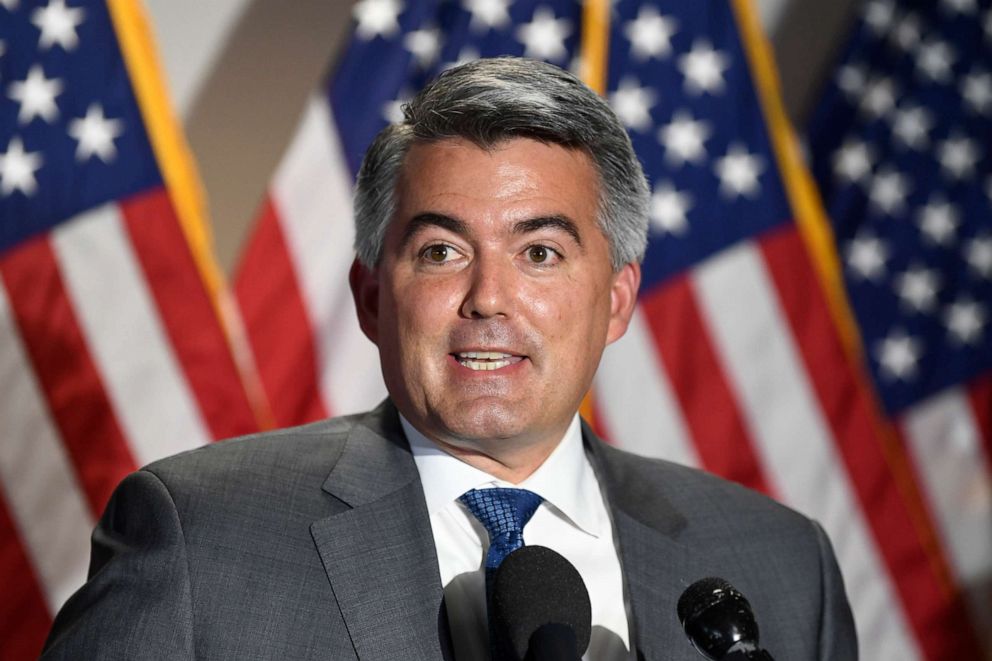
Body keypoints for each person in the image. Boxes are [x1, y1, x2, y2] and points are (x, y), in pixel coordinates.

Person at [43, 57, 856, 660]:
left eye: (540, 252)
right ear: (370, 299)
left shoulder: (781, 563)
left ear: (615, 300)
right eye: (439, 251)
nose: (489, 298)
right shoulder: (202, 537)